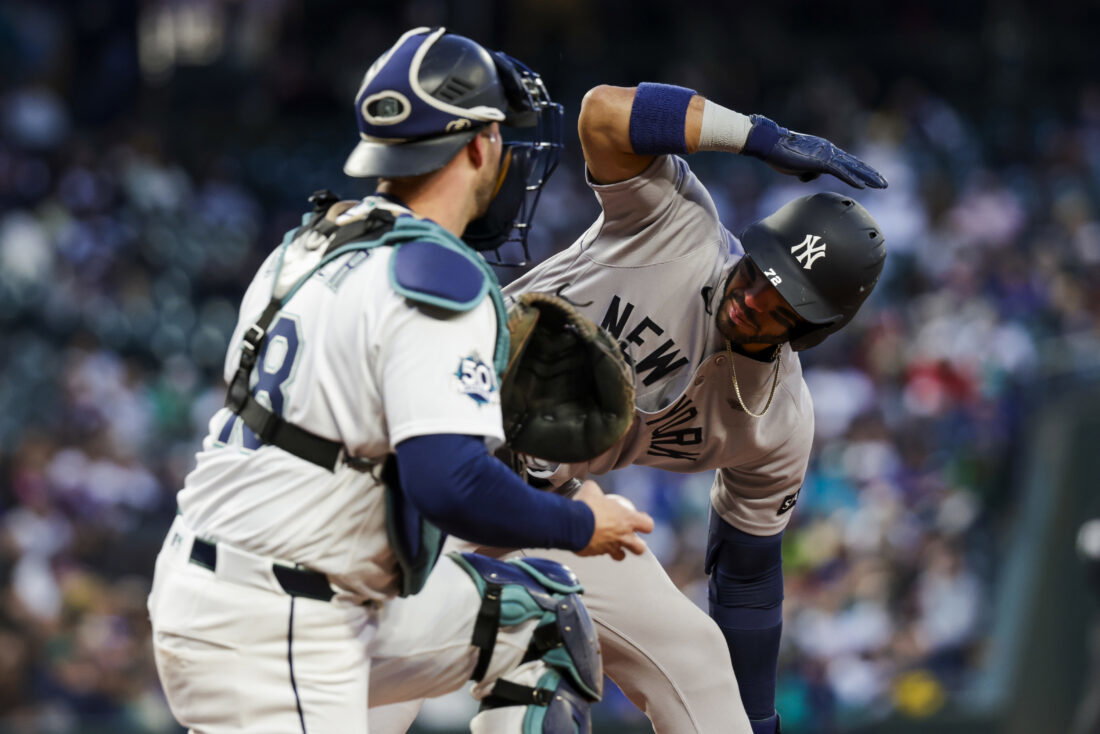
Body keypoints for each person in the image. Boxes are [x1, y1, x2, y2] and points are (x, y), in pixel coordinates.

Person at [146, 28, 653, 734]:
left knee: (539, 621)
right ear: (479, 144)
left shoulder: (305, 245)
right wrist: (581, 524)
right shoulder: (443, 279)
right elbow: (449, 485)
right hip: (278, 625)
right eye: (502, 138)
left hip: (214, 590)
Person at [369, 82, 888, 734]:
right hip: (425, 466)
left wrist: (755, 719)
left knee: (696, 660)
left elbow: (748, 579)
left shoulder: (778, 421)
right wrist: (758, 135)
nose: (754, 296)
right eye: (761, 271)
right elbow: (604, 114)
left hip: (543, 509)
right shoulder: (678, 227)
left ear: (812, 329)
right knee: (369, 706)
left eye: (782, 304)